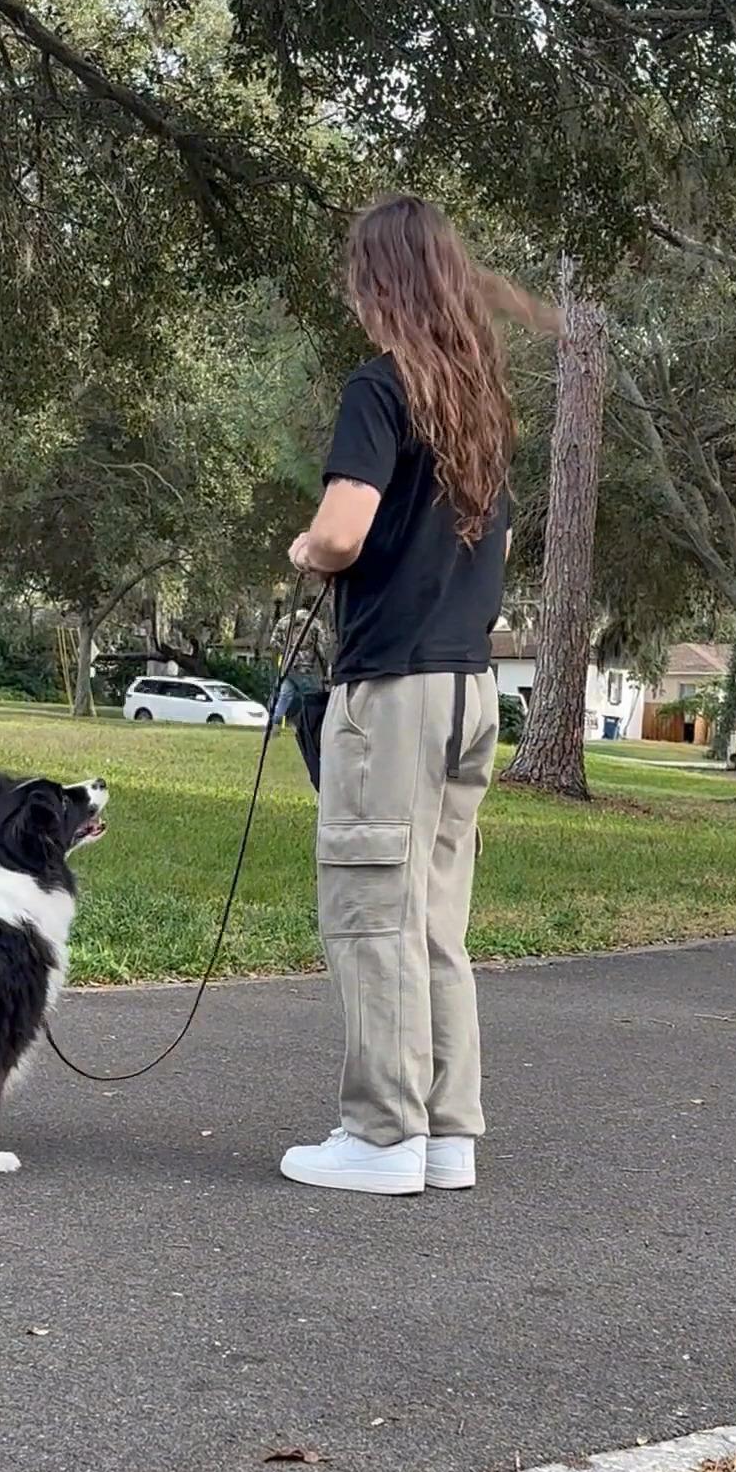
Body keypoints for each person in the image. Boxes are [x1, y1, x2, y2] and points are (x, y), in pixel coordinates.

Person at [281, 195, 559, 1197]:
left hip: (393, 691)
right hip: (469, 691)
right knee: (435, 918)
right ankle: (445, 1134)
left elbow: (342, 529)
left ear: (379, 283)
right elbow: (496, 546)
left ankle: (382, 1135)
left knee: (371, 911)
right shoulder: (480, 406)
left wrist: (307, 550)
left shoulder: (381, 387)